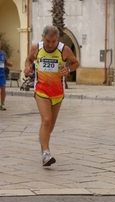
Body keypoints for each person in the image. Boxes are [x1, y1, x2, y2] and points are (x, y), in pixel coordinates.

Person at [24, 25, 79, 166]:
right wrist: (27, 67)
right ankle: (46, 153)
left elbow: (76, 63)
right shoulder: (36, 48)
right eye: (48, 41)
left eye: (54, 41)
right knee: (46, 120)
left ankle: (43, 143)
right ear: (43, 38)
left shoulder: (64, 50)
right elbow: (29, 59)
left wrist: (68, 69)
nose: (50, 44)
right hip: (41, 90)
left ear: (57, 40)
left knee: (51, 124)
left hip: (58, 92)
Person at [0, 39, 13, 110]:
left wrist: (9, 63)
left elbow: (6, 61)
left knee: (3, 89)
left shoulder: (3, 53)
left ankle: (2, 104)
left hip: (2, 74)